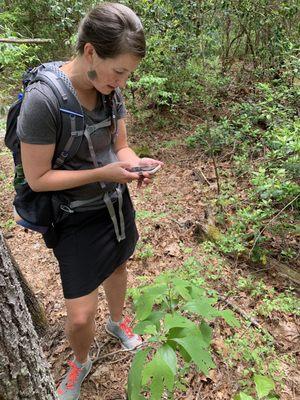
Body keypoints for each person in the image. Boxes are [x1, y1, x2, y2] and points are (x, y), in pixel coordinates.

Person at [16, 3, 162, 399]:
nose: (123, 82)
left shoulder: (110, 92)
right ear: (91, 51)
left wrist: (135, 165)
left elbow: (122, 146)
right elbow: (38, 178)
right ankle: (80, 361)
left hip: (114, 205)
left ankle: (117, 322)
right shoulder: (43, 102)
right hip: (73, 216)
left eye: (129, 74)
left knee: (118, 268)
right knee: (80, 316)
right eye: (120, 72)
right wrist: (103, 173)